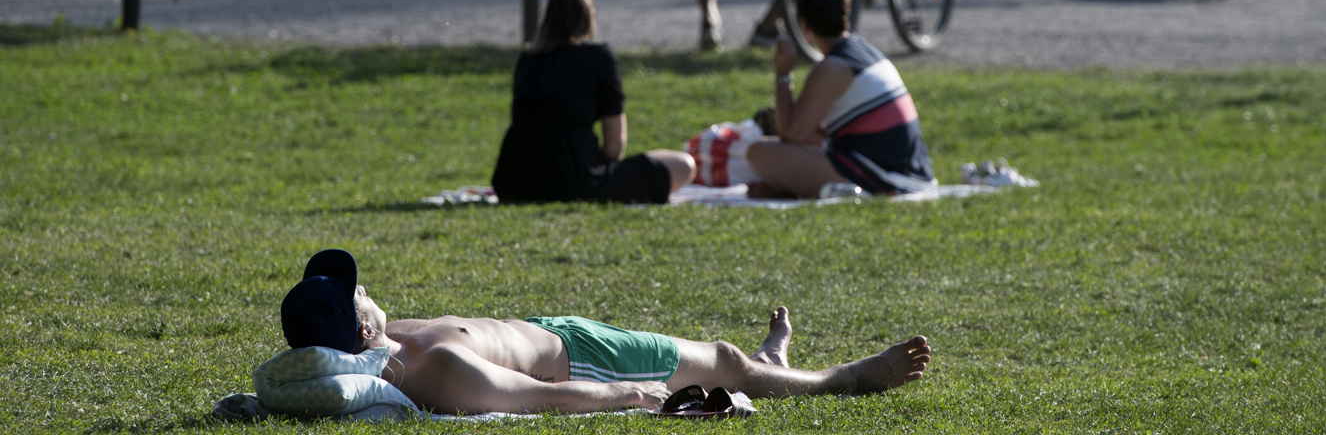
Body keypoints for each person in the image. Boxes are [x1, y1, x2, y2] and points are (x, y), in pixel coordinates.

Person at [279, 249, 933, 415]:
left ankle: (768, 360)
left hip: (563, 332)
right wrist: (629, 395)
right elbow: (538, 400)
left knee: (726, 360)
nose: (368, 290)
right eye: (359, 293)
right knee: (726, 363)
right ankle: (840, 379)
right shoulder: (437, 372)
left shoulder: (401, 341)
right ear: (360, 327)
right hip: (585, 362)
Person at [491, 0, 695, 203]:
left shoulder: (529, 58)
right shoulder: (598, 57)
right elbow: (615, 145)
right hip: (577, 182)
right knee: (683, 165)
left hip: (513, 182)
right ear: (588, 17)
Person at [743, 0, 934, 199]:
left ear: (803, 24)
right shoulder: (863, 50)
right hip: (907, 171)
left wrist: (783, 73)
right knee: (796, 143)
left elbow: (790, 135)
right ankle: (789, 189)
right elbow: (815, 135)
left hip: (887, 177)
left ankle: (807, 189)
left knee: (759, 153)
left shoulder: (833, 68)